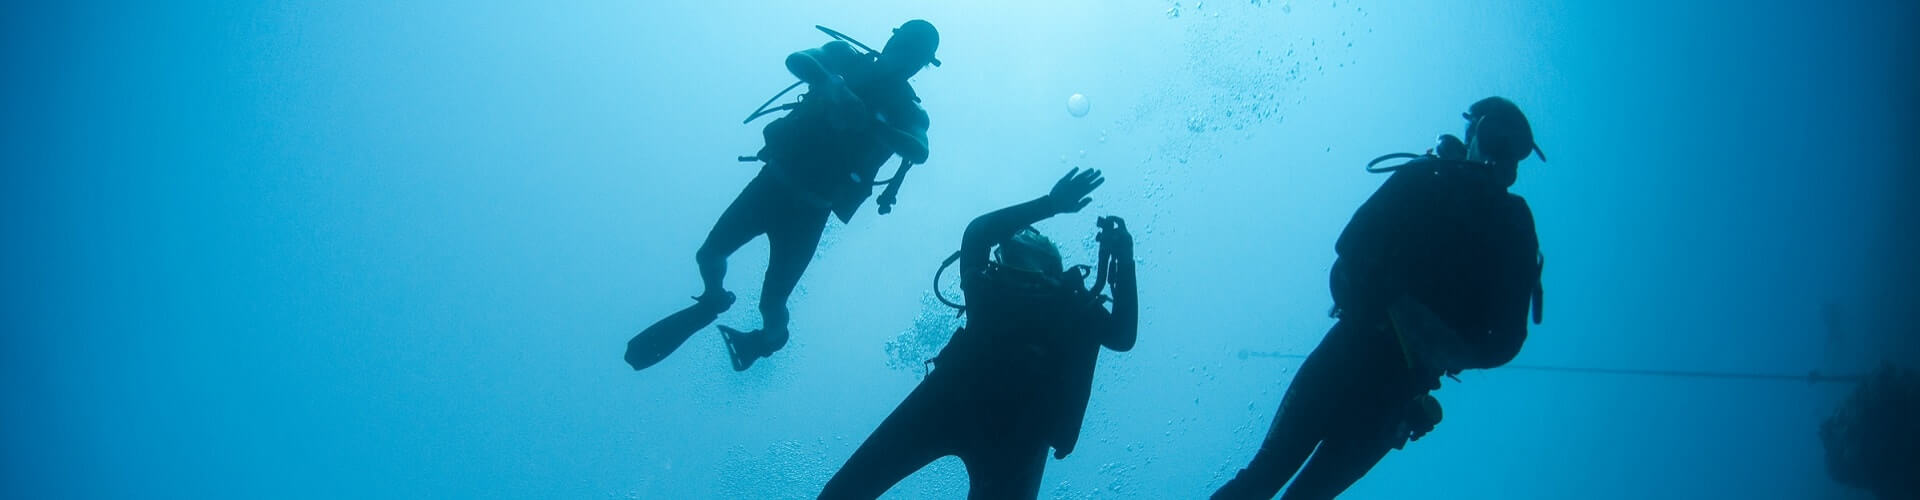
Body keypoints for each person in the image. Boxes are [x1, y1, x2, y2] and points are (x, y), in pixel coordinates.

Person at [1213, 97, 1547, 499]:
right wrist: (1414, 322)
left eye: (1517, 150)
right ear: (1473, 136)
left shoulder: (1513, 226)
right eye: (1497, 137)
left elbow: (1507, 341)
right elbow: (1352, 243)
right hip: (1353, 354)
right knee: (1263, 475)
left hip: (1397, 393)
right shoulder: (1429, 175)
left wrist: (1432, 340)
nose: (1505, 156)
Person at [624, 20, 939, 372]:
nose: (907, 59)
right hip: (771, 185)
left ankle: (767, 342)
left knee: (772, 304)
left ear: (921, 65)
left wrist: (868, 121)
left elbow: (919, 149)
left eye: (917, 57)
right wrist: (829, 85)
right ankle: (714, 298)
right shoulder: (844, 58)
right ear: (892, 41)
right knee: (709, 255)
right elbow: (798, 60)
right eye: (907, 48)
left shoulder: (910, 111)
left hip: (810, 211)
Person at [818, 168, 1138, 500]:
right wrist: (1049, 204)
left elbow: (1122, 336)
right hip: (970, 406)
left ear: (1050, 264)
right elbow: (977, 235)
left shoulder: (1070, 306)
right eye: (1005, 248)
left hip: (1009, 426)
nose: (1007, 247)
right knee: (842, 493)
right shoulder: (993, 286)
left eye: (1023, 241)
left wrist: (1124, 261)